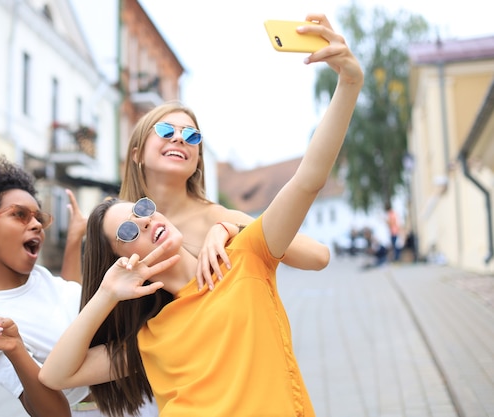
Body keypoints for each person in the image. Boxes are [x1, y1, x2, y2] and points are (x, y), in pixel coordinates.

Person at [39, 14, 364, 417]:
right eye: (129, 226)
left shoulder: (243, 253)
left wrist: (227, 225)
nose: (145, 220)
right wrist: (107, 292)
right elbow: (55, 375)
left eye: (192, 136)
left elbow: (308, 182)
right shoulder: (150, 334)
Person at [0, 156, 159, 417]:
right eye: (19, 215)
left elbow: (77, 309)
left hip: (147, 394)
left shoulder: (40, 277)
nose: (35, 224)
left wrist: (75, 238)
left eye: (38, 218)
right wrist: (15, 349)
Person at [119, 100, 330, 289]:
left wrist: (232, 230)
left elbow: (319, 256)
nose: (179, 138)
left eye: (191, 136)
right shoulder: (118, 223)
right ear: (137, 155)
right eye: (165, 130)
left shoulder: (217, 218)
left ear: (198, 161)